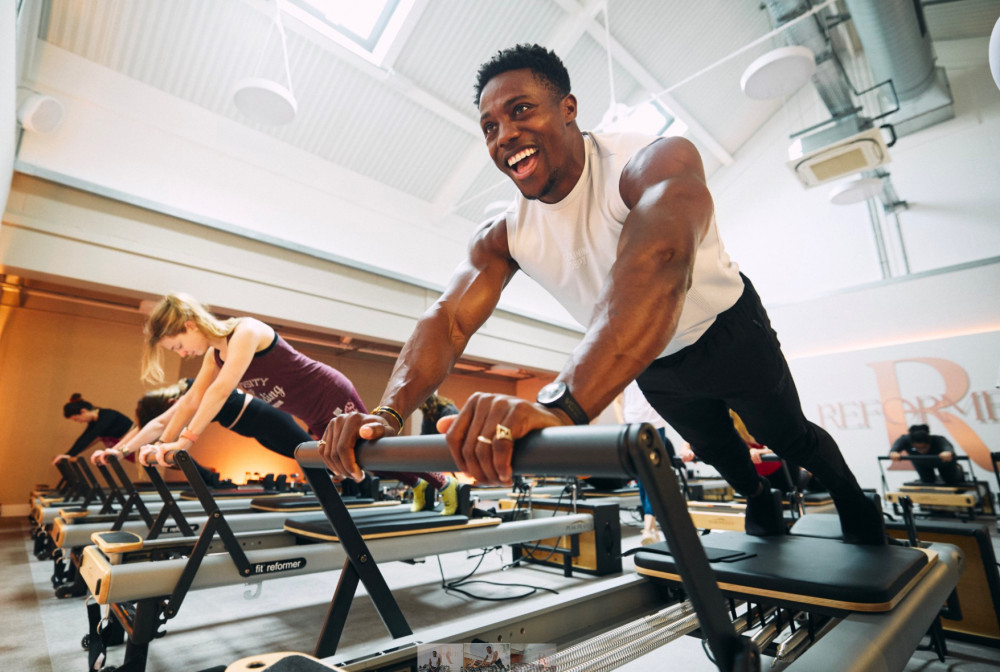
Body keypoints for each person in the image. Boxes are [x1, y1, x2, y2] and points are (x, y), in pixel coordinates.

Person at [320, 44, 885, 545]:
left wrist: (560, 408)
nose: (504, 135)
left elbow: (658, 264)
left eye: (520, 111)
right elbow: (448, 321)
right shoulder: (505, 231)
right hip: (651, 359)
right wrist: (388, 414)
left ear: (568, 109)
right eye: (490, 127)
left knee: (786, 436)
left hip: (730, 331)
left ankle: (853, 499)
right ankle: (760, 502)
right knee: (715, 449)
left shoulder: (653, 160)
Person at [139, 293, 458, 512]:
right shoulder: (214, 356)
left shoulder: (245, 331)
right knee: (358, 462)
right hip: (313, 415)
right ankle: (418, 483)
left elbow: (220, 391)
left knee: (375, 451)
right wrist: (163, 443)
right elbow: (192, 399)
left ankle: (444, 483)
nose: (182, 354)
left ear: (190, 326)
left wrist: (186, 440)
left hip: (330, 394)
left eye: (179, 345)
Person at [410, 394, 460, 512]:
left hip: (449, 450)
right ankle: (421, 487)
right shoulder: (429, 415)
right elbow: (424, 436)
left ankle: (446, 486)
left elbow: (449, 437)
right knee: (415, 457)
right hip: (436, 450)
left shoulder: (449, 410)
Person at [56, 393, 133, 465]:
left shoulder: (107, 415)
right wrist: (68, 455)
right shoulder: (94, 422)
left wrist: (69, 454)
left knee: (140, 460)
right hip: (125, 447)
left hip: (132, 444)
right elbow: (84, 438)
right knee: (125, 456)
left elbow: (91, 436)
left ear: (83, 411)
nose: (79, 422)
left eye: (77, 419)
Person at [890, 424, 965, 486]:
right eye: (917, 448)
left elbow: (946, 446)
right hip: (921, 463)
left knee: (951, 481)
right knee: (927, 482)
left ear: (929, 442)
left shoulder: (938, 439)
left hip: (942, 462)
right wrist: (894, 452)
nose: (921, 451)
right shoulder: (905, 440)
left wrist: (947, 452)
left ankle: (957, 470)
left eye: (924, 448)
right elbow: (896, 447)